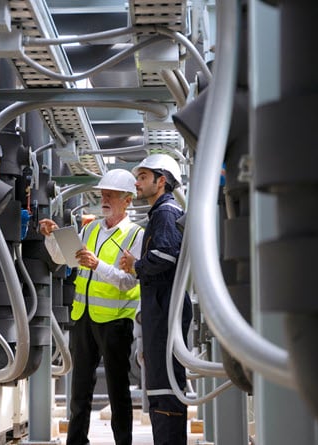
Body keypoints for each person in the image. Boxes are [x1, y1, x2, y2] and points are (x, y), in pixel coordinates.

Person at [39, 169, 144, 445]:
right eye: (103, 193)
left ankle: (123, 442)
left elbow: (127, 282)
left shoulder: (135, 235)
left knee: (117, 389)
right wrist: (51, 237)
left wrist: (97, 264)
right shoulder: (91, 228)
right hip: (83, 317)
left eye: (112, 194)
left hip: (115, 321)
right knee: (79, 388)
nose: (105, 198)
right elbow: (66, 259)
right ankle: (76, 441)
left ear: (128, 200)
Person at [120, 154, 192, 445]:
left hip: (165, 307)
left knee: (166, 386)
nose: (136, 183)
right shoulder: (160, 213)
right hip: (160, 306)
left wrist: (136, 265)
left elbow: (164, 255)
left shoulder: (165, 212)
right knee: (160, 385)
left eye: (143, 177)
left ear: (161, 181)